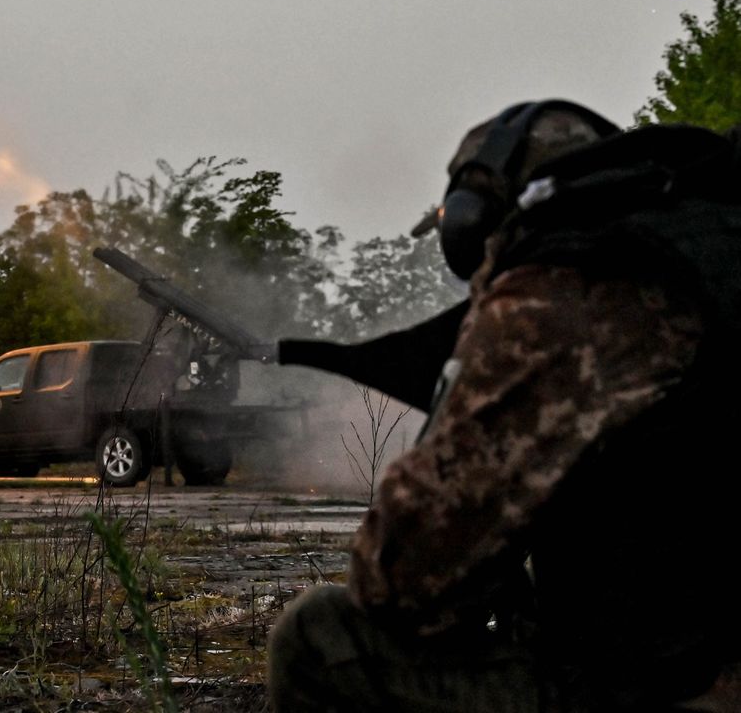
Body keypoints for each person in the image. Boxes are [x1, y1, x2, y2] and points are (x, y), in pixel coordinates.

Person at [268, 100, 741, 711]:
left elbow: (403, 577)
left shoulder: (568, 287)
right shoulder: (712, 253)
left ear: (474, 216)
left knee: (320, 638)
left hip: (673, 686)